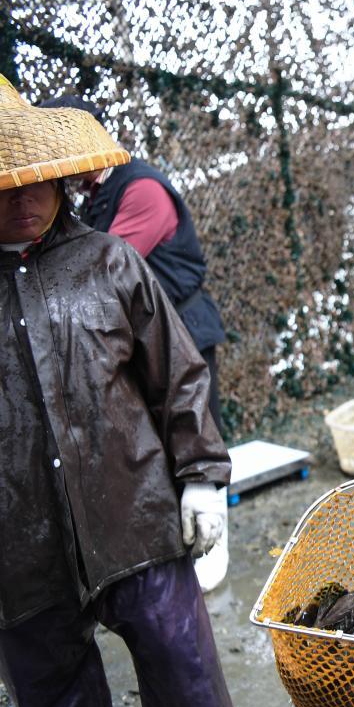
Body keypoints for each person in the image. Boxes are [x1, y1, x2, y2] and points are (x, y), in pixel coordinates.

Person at [0, 75, 252, 707]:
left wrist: (201, 477)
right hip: (18, 553)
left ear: (58, 175)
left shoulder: (109, 263)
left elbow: (178, 375)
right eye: (3, 183)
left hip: (136, 521)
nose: (20, 196)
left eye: (31, 178)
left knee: (193, 698)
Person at [40, 93, 231, 590]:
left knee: (198, 430)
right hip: (142, 341)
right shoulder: (88, 195)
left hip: (182, 331)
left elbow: (100, 272)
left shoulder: (141, 188)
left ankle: (215, 546)